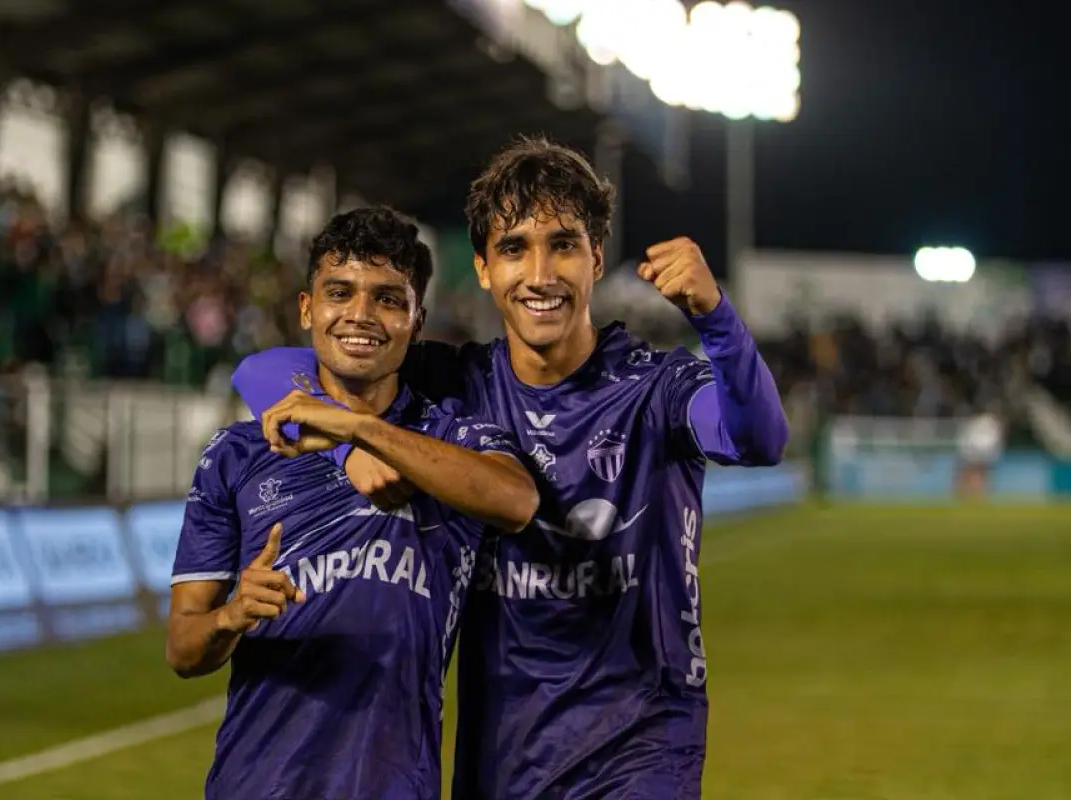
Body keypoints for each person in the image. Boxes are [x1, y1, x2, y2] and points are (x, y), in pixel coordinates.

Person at [232, 138, 789, 799]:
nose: (540, 273)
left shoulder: (656, 386)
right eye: (515, 248)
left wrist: (716, 317)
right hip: (502, 752)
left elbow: (759, 437)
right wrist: (355, 444)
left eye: (563, 245)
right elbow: (267, 369)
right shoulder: (454, 382)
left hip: (641, 742)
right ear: (485, 269)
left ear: (596, 259)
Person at [166, 206, 539, 800]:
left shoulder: (450, 441)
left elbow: (514, 500)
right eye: (339, 292)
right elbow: (184, 649)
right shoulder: (236, 453)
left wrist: (355, 431)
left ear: (417, 321)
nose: (360, 315)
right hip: (253, 784)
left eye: (389, 299)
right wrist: (232, 616)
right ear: (307, 308)